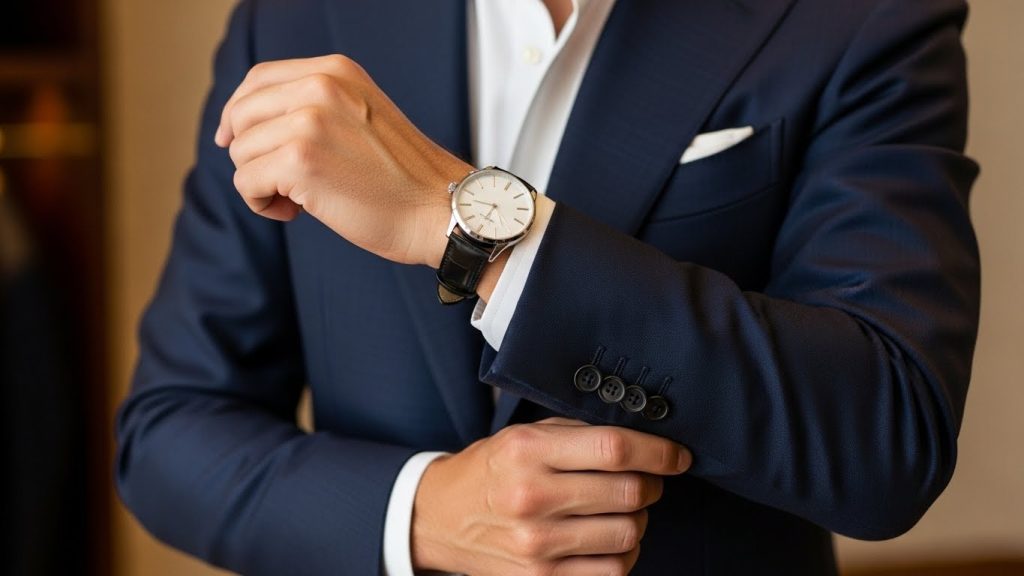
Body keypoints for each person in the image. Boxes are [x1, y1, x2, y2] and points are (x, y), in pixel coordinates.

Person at [115, 0, 981, 574]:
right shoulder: (295, 14)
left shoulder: (863, 15)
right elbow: (168, 433)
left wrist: (470, 228)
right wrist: (420, 511)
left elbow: (888, 436)